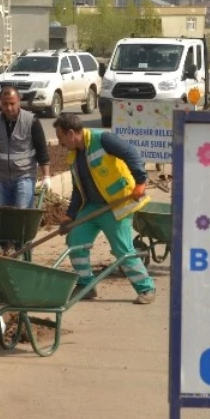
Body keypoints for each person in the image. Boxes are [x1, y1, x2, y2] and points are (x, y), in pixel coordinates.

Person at [53, 113, 155, 305]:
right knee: (76, 239)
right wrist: (70, 216)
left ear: (71, 133)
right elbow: (78, 189)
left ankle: (146, 288)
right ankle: (86, 285)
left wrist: (140, 182)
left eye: (60, 137)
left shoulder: (103, 139)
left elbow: (131, 154)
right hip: (91, 206)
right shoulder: (74, 156)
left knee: (122, 250)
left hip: (117, 203)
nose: (60, 142)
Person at [0, 86, 51, 208]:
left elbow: (41, 150)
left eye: (12, 103)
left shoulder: (31, 121)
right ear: (1, 103)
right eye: (5, 104)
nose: (9, 108)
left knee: (21, 214)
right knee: (0, 214)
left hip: (24, 176)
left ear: (19, 101)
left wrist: (46, 176)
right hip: (3, 178)